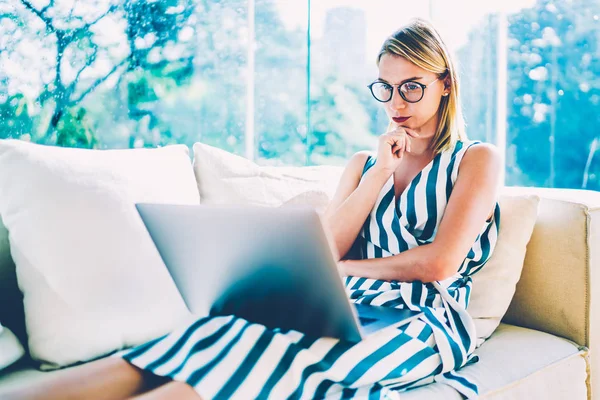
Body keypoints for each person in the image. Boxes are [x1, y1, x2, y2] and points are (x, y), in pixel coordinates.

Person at [7, 17, 501, 400]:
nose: (397, 101)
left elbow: (438, 263)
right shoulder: (364, 163)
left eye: (412, 86)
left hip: (425, 317)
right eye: (386, 88)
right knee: (213, 333)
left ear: (445, 85)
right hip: (345, 302)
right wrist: (376, 177)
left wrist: (340, 270)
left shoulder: (475, 159)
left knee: (277, 355)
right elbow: (325, 246)